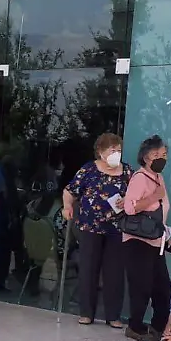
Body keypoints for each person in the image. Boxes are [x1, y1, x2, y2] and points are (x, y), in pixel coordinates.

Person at [63, 133, 132, 328]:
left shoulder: (127, 171)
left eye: (119, 150)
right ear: (101, 151)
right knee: (88, 269)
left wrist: (128, 200)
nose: (116, 154)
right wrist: (67, 206)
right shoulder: (89, 170)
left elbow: (136, 194)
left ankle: (113, 316)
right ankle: (86, 313)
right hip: (90, 227)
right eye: (112, 150)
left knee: (114, 272)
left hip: (116, 228)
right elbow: (70, 191)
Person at [122, 135, 171, 341]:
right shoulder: (140, 178)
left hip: (155, 241)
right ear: (145, 157)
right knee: (141, 286)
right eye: (156, 154)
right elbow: (129, 208)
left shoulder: (159, 178)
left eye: (164, 154)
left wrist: (165, 235)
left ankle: (158, 327)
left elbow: (160, 211)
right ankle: (135, 327)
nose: (161, 158)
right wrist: (153, 196)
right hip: (138, 240)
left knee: (162, 288)